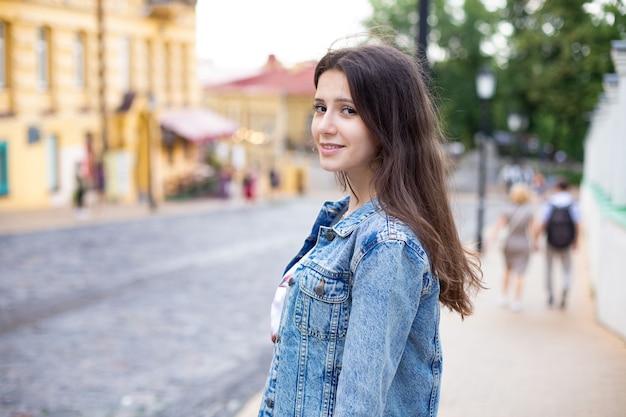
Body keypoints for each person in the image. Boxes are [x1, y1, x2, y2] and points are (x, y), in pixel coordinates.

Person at [258, 43, 483, 417]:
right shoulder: (339, 217)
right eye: (320, 107)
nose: (325, 125)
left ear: (388, 121)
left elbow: (359, 406)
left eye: (348, 110)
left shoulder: (386, 243)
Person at [488, 183, 536, 312]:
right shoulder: (529, 211)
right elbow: (532, 231)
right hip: (523, 244)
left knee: (507, 270)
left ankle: (503, 296)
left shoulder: (507, 209)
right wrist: (535, 244)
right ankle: (517, 301)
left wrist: (491, 240)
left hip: (509, 243)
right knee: (520, 273)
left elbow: (499, 226)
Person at [533, 178, 581, 309]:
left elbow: (543, 224)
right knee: (567, 269)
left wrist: (535, 240)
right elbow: (577, 225)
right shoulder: (573, 203)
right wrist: (576, 241)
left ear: (556, 187)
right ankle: (565, 288)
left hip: (551, 241)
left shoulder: (550, 203)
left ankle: (550, 294)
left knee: (549, 268)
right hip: (566, 243)